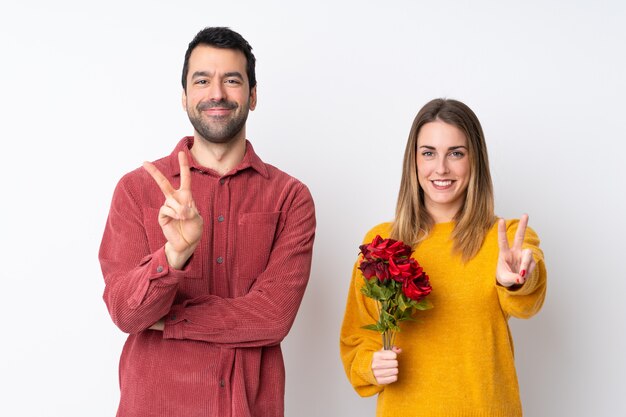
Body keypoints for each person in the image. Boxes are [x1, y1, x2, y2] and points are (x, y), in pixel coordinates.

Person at [99, 27, 316, 417]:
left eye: (232, 80)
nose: (216, 93)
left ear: (252, 95)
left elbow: (273, 317)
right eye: (202, 80)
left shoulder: (290, 198)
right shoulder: (137, 190)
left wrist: (172, 319)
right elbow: (126, 314)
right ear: (184, 96)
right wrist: (174, 254)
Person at [340, 98, 546, 417]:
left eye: (456, 153)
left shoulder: (506, 237)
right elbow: (357, 338)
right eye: (428, 153)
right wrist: (371, 366)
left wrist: (517, 280)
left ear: (474, 159)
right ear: (414, 161)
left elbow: (528, 300)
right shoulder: (381, 244)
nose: (441, 168)